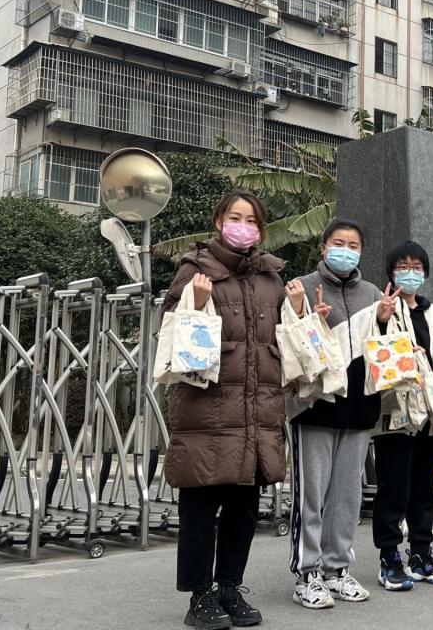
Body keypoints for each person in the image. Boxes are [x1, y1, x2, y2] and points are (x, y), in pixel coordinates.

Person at [163, 190, 302, 630]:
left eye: (252, 220)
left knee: (243, 510)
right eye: (235, 217)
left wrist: (300, 310)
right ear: (219, 221)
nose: (243, 226)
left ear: (261, 229)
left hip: (257, 413)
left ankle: (229, 587)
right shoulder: (195, 270)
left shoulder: (272, 278)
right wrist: (194, 301)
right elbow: (172, 331)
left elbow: (288, 340)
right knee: (200, 508)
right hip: (207, 411)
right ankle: (199, 595)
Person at [346, 240, 433, 591]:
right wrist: (382, 322)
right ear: (391, 272)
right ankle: (390, 558)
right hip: (395, 414)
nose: (410, 273)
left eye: (417, 267)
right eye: (403, 267)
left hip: (429, 413)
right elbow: (370, 349)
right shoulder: (383, 308)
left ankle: (421, 554)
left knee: (424, 489)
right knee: (394, 489)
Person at [287, 219, 383, 609]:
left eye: (354, 245)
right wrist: (305, 314)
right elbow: (287, 342)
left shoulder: (373, 293)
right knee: (311, 495)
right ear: (324, 247)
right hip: (315, 407)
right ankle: (307, 572)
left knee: (346, 496)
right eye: (339, 243)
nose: (346, 251)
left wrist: (383, 318)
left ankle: (337, 569)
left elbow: (384, 346)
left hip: (360, 408)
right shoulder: (301, 286)